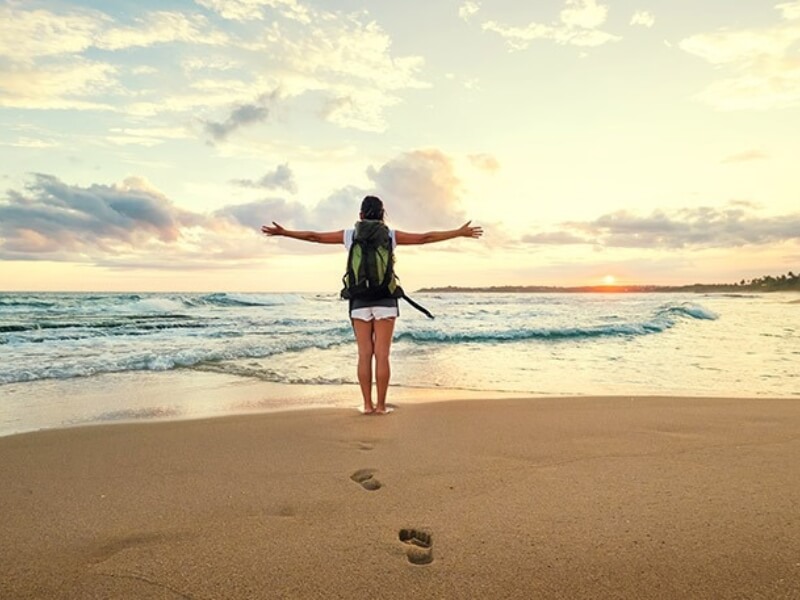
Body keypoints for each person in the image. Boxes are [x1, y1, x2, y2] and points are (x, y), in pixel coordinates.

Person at [261, 196, 483, 415]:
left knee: (364, 354)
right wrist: (458, 232)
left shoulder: (350, 235)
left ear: (360, 215)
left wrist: (285, 232)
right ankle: (381, 406)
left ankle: (367, 406)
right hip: (386, 300)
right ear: (382, 215)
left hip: (359, 301)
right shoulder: (391, 235)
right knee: (382, 355)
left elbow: (315, 237)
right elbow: (425, 238)